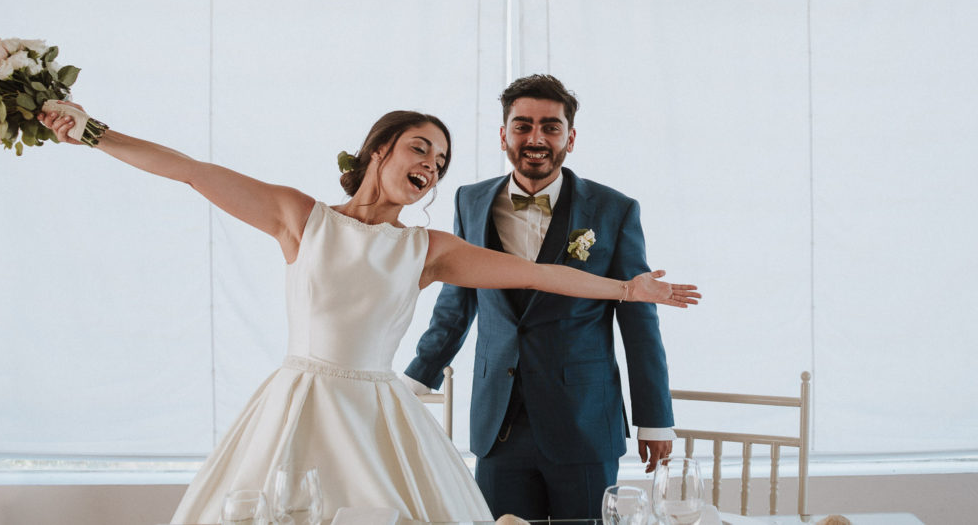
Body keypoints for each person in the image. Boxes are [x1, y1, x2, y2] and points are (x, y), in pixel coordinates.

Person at [38, 100, 699, 524]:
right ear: (378, 149)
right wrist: (90, 131)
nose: (431, 165)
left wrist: (626, 290)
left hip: (380, 417)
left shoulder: (426, 250)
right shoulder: (300, 217)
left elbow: (536, 273)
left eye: (440, 161)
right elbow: (187, 169)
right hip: (298, 401)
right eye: (419, 147)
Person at [404, 74, 688, 520]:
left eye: (550, 127)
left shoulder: (614, 209)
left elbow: (638, 321)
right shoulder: (470, 201)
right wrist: (414, 382)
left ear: (570, 138)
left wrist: (654, 417)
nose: (536, 138)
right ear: (504, 134)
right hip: (498, 423)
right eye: (522, 125)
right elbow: (456, 302)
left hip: (585, 422)